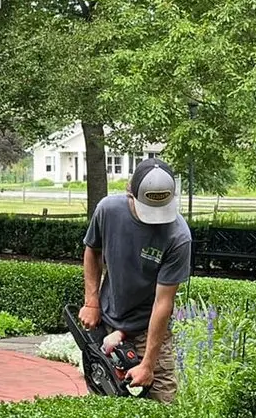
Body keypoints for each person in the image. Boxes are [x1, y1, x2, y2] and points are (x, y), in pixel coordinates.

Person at [79, 158, 192, 402]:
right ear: (130, 193)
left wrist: (149, 364)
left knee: (163, 406)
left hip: (148, 330)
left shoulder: (178, 236)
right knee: (104, 402)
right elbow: (92, 250)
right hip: (108, 322)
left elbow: (163, 303)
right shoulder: (108, 210)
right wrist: (91, 302)